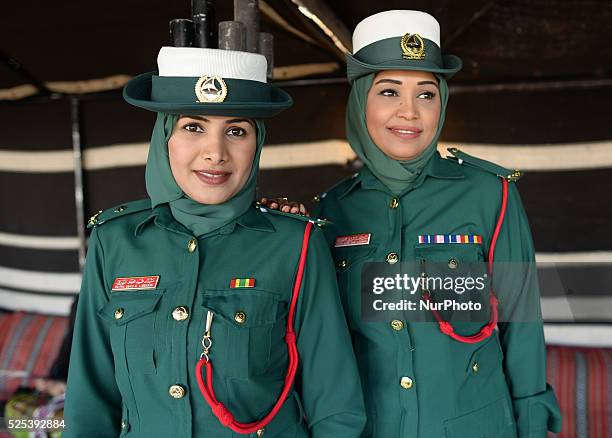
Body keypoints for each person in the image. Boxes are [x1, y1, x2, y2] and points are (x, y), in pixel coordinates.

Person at [268, 10, 562, 437]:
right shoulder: (331, 210)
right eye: (389, 91)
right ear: (360, 101)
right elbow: (318, 343)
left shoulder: (488, 194)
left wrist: (532, 427)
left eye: (426, 94)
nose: (410, 112)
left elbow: (521, 328)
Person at [63, 43, 365, 437]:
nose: (215, 152)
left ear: (257, 144)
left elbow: (336, 405)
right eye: (193, 127)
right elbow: (90, 401)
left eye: (236, 131)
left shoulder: (297, 243)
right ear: (164, 137)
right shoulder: (115, 240)